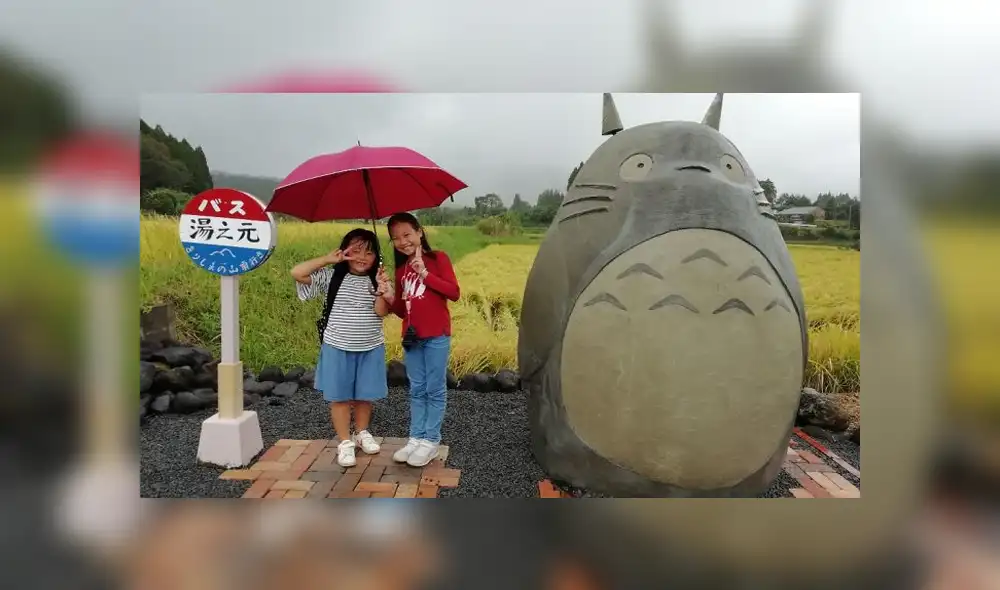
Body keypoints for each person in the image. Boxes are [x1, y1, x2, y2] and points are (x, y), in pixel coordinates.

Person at [290, 228, 395, 468]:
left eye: (369, 252)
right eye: (355, 250)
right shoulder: (331, 277)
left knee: (365, 396)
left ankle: (361, 433)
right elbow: (297, 272)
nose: (362, 257)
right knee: (339, 397)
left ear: (377, 256)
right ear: (344, 251)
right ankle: (345, 442)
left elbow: (381, 312)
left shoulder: (377, 281)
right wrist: (328, 259)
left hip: (370, 346)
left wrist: (382, 290)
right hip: (337, 346)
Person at [382, 212, 461, 467]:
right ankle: (416, 438)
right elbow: (402, 311)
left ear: (419, 232)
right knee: (416, 388)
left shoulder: (438, 259)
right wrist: (388, 295)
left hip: (436, 335)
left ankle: (431, 441)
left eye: (407, 234)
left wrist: (424, 273)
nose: (402, 241)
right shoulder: (401, 270)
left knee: (434, 389)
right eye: (396, 238)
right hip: (412, 338)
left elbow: (454, 292)